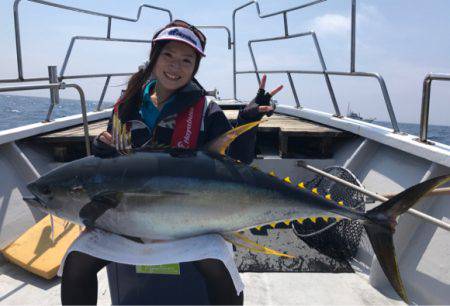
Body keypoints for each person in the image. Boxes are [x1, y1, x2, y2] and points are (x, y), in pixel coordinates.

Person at [61, 19, 283, 305]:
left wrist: (247, 120)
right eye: (168, 55)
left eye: (186, 60)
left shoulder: (206, 110)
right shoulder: (126, 104)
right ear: (154, 57)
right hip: (131, 221)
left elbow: (236, 162)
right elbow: (111, 161)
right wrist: (101, 148)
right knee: (77, 263)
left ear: (195, 68)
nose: (175, 67)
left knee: (219, 270)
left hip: (190, 222)